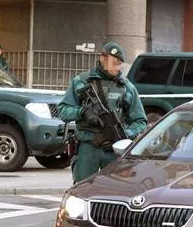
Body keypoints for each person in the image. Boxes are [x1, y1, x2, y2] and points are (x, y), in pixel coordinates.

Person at [57, 42, 147, 183]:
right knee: (83, 189)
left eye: (119, 63)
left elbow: (140, 121)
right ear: (102, 58)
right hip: (88, 147)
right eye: (113, 62)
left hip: (114, 149)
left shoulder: (127, 88)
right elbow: (63, 111)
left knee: (115, 190)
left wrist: (122, 136)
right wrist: (83, 112)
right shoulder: (81, 81)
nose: (116, 67)